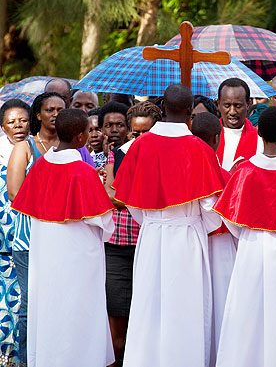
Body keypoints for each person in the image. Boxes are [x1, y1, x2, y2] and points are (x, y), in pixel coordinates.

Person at [113, 84, 224, 367]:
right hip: (187, 234)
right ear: (189, 112)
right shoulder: (199, 149)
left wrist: (153, 221)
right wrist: (192, 224)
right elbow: (212, 207)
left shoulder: (140, 145)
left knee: (150, 305)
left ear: (162, 108)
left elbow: (129, 200)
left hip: (151, 234)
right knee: (185, 307)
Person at [213, 106, 276, 367]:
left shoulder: (246, 170)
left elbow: (230, 218)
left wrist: (250, 232)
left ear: (258, 132)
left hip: (251, 245)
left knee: (248, 309)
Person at [11, 108, 115, 367]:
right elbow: (103, 222)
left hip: (46, 254)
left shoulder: (39, 167)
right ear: (81, 137)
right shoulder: (83, 172)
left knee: (49, 309)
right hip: (79, 256)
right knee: (78, 311)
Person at [103, 101, 161, 367]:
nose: (139, 139)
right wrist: (141, 196)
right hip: (118, 244)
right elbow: (110, 195)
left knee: (148, 311)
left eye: (145, 133)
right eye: (135, 133)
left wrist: (128, 195)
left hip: (148, 242)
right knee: (116, 313)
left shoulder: (162, 154)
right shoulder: (119, 153)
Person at [191, 112, 237, 366]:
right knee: (221, 306)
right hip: (221, 249)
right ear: (218, 139)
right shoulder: (224, 175)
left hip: (191, 244)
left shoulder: (183, 169)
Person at [0, 99, 30, 366]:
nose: (18, 126)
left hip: (25, 239)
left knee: (25, 304)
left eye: (22, 120)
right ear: (2, 126)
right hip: (1, 244)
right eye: (11, 122)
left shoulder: (36, 152)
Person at [216, 78, 262, 171]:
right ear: (218, 104)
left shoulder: (260, 141)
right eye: (227, 106)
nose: (232, 112)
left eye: (238, 106)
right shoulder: (209, 136)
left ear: (248, 104)